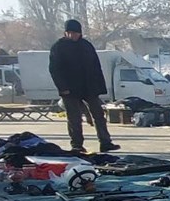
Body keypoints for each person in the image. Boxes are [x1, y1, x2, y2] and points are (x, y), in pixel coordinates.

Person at [49, 19, 120, 153]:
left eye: (75, 33)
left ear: (79, 33)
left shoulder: (86, 45)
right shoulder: (58, 47)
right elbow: (54, 69)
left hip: (89, 87)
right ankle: (77, 145)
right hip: (69, 89)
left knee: (99, 115)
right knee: (74, 118)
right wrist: (62, 88)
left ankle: (105, 142)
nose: (72, 36)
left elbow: (95, 67)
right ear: (65, 33)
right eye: (69, 33)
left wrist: (99, 87)